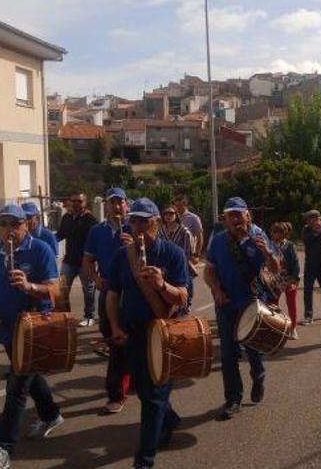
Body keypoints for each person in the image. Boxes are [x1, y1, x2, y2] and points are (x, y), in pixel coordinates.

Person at [105, 198, 190, 469]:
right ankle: (170, 419)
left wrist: (162, 284)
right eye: (135, 221)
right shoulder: (123, 255)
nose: (139, 227)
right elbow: (112, 294)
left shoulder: (173, 254)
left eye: (145, 221)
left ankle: (144, 461)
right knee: (143, 390)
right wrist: (115, 326)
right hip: (133, 331)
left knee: (153, 396)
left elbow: (183, 297)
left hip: (163, 331)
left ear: (157, 223)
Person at [0, 204, 63, 469]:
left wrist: (29, 286)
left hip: (35, 327)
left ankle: (2, 448)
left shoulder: (40, 250)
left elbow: (55, 290)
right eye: (3, 224)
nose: (9, 230)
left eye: (15, 224)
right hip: (8, 328)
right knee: (31, 377)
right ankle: (51, 414)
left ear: (26, 225)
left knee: (16, 386)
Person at [203, 197, 279, 420]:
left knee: (254, 350)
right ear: (225, 218)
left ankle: (258, 376)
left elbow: (274, 268)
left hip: (252, 303)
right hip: (226, 305)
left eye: (239, 214)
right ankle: (233, 398)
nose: (236, 218)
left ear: (248, 215)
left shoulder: (259, 235)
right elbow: (209, 270)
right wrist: (216, 289)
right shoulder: (217, 240)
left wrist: (266, 253)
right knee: (228, 354)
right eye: (231, 215)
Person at [82, 187, 133, 414]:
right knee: (114, 340)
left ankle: (116, 393)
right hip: (108, 293)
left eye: (119, 202)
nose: (116, 206)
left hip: (134, 293)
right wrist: (95, 278)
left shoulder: (135, 226)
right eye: (112, 203)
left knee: (124, 344)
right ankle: (126, 380)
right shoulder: (97, 231)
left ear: (126, 204)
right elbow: (87, 261)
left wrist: (133, 244)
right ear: (107, 206)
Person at [55, 191, 98, 327]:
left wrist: (94, 260)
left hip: (85, 262)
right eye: (73, 201)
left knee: (88, 290)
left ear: (85, 203)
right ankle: (65, 316)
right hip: (69, 261)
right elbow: (60, 235)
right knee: (62, 290)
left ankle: (89, 316)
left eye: (79, 201)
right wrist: (47, 242)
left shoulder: (90, 220)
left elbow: (95, 241)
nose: (76, 204)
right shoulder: (66, 217)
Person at [158, 204, 196, 310]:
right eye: (165, 213)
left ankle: (187, 303)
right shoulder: (161, 231)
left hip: (181, 264)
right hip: (165, 266)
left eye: (171, 213)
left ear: (176, 215)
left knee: (185, 284)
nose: (168, 216)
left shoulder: (184, 231)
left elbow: (188, 251)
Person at [300, 210, 321, 325]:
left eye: (308, 219)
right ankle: (308, 316)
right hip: (310, 265)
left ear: (315, 219)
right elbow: (307, 241)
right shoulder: (306, 230)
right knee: (307, 290)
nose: (307, 221)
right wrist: (315, 232)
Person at [270, 222, 300, 339]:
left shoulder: (290, 245)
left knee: (291, 304)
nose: (276, 234)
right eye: (274, 231)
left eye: (279, 232)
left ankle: (293, 328)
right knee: (273, 304)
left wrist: (293, 280)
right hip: (273, 280)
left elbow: (296, 263)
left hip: (289, 279)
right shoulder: (269, 245)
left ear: (284, 233)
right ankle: (276, 327)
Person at [173, 194, 203, 259]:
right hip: (174, 254)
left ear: (184, 204)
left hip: (189, 254)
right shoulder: (173, 217)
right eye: (175, 205)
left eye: (178, 205)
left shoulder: (194, 218)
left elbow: (199, 237)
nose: (177, 208)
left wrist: (197, 255)